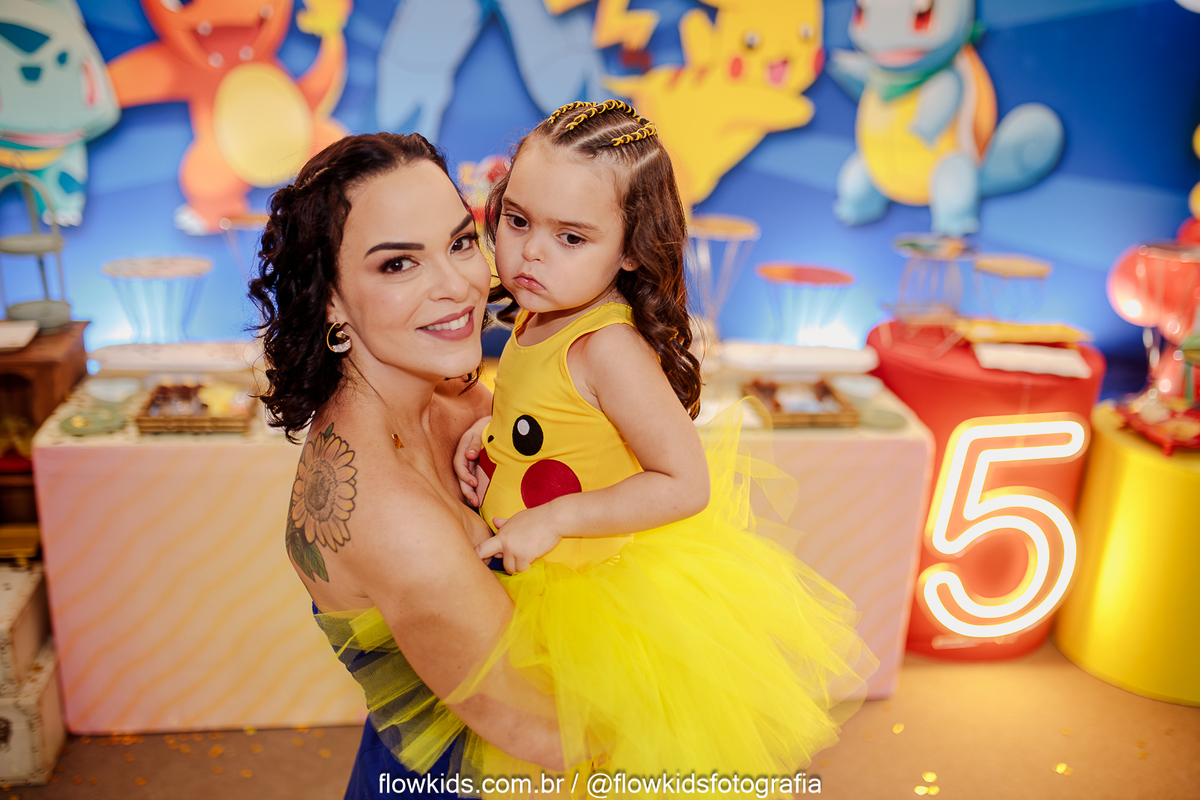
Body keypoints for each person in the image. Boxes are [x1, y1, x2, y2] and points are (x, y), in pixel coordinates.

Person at [446, 99, 874, 785]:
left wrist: (555, 518)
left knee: (587, 761)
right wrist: (493, 433)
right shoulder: (539, 312)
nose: (531, 252)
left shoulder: (607, 347)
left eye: (571, 237)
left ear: (630, 247)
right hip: (525, 576)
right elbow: (561, 418)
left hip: (590, 594)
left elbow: (684, 482)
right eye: (518, 220)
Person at [249, 132, 565, 799]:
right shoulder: (389, 514)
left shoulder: (451, 396)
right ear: (331, 299)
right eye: (398, 264)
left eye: (460, 243)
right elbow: (545, 733)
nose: (457, 287)